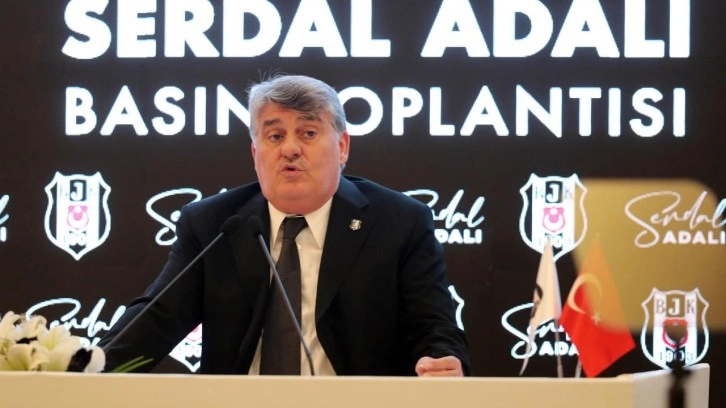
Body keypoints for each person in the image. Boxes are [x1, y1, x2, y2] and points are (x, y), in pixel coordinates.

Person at [100, 74, 470, 376]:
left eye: (308, 133)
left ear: (342, 147)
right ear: (255, 153)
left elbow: (433, 326)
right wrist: (85, 369)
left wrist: (440, 361)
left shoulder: (398, 222)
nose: (290, 149)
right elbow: (155, 319)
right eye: (275, 136)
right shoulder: (213, 225)